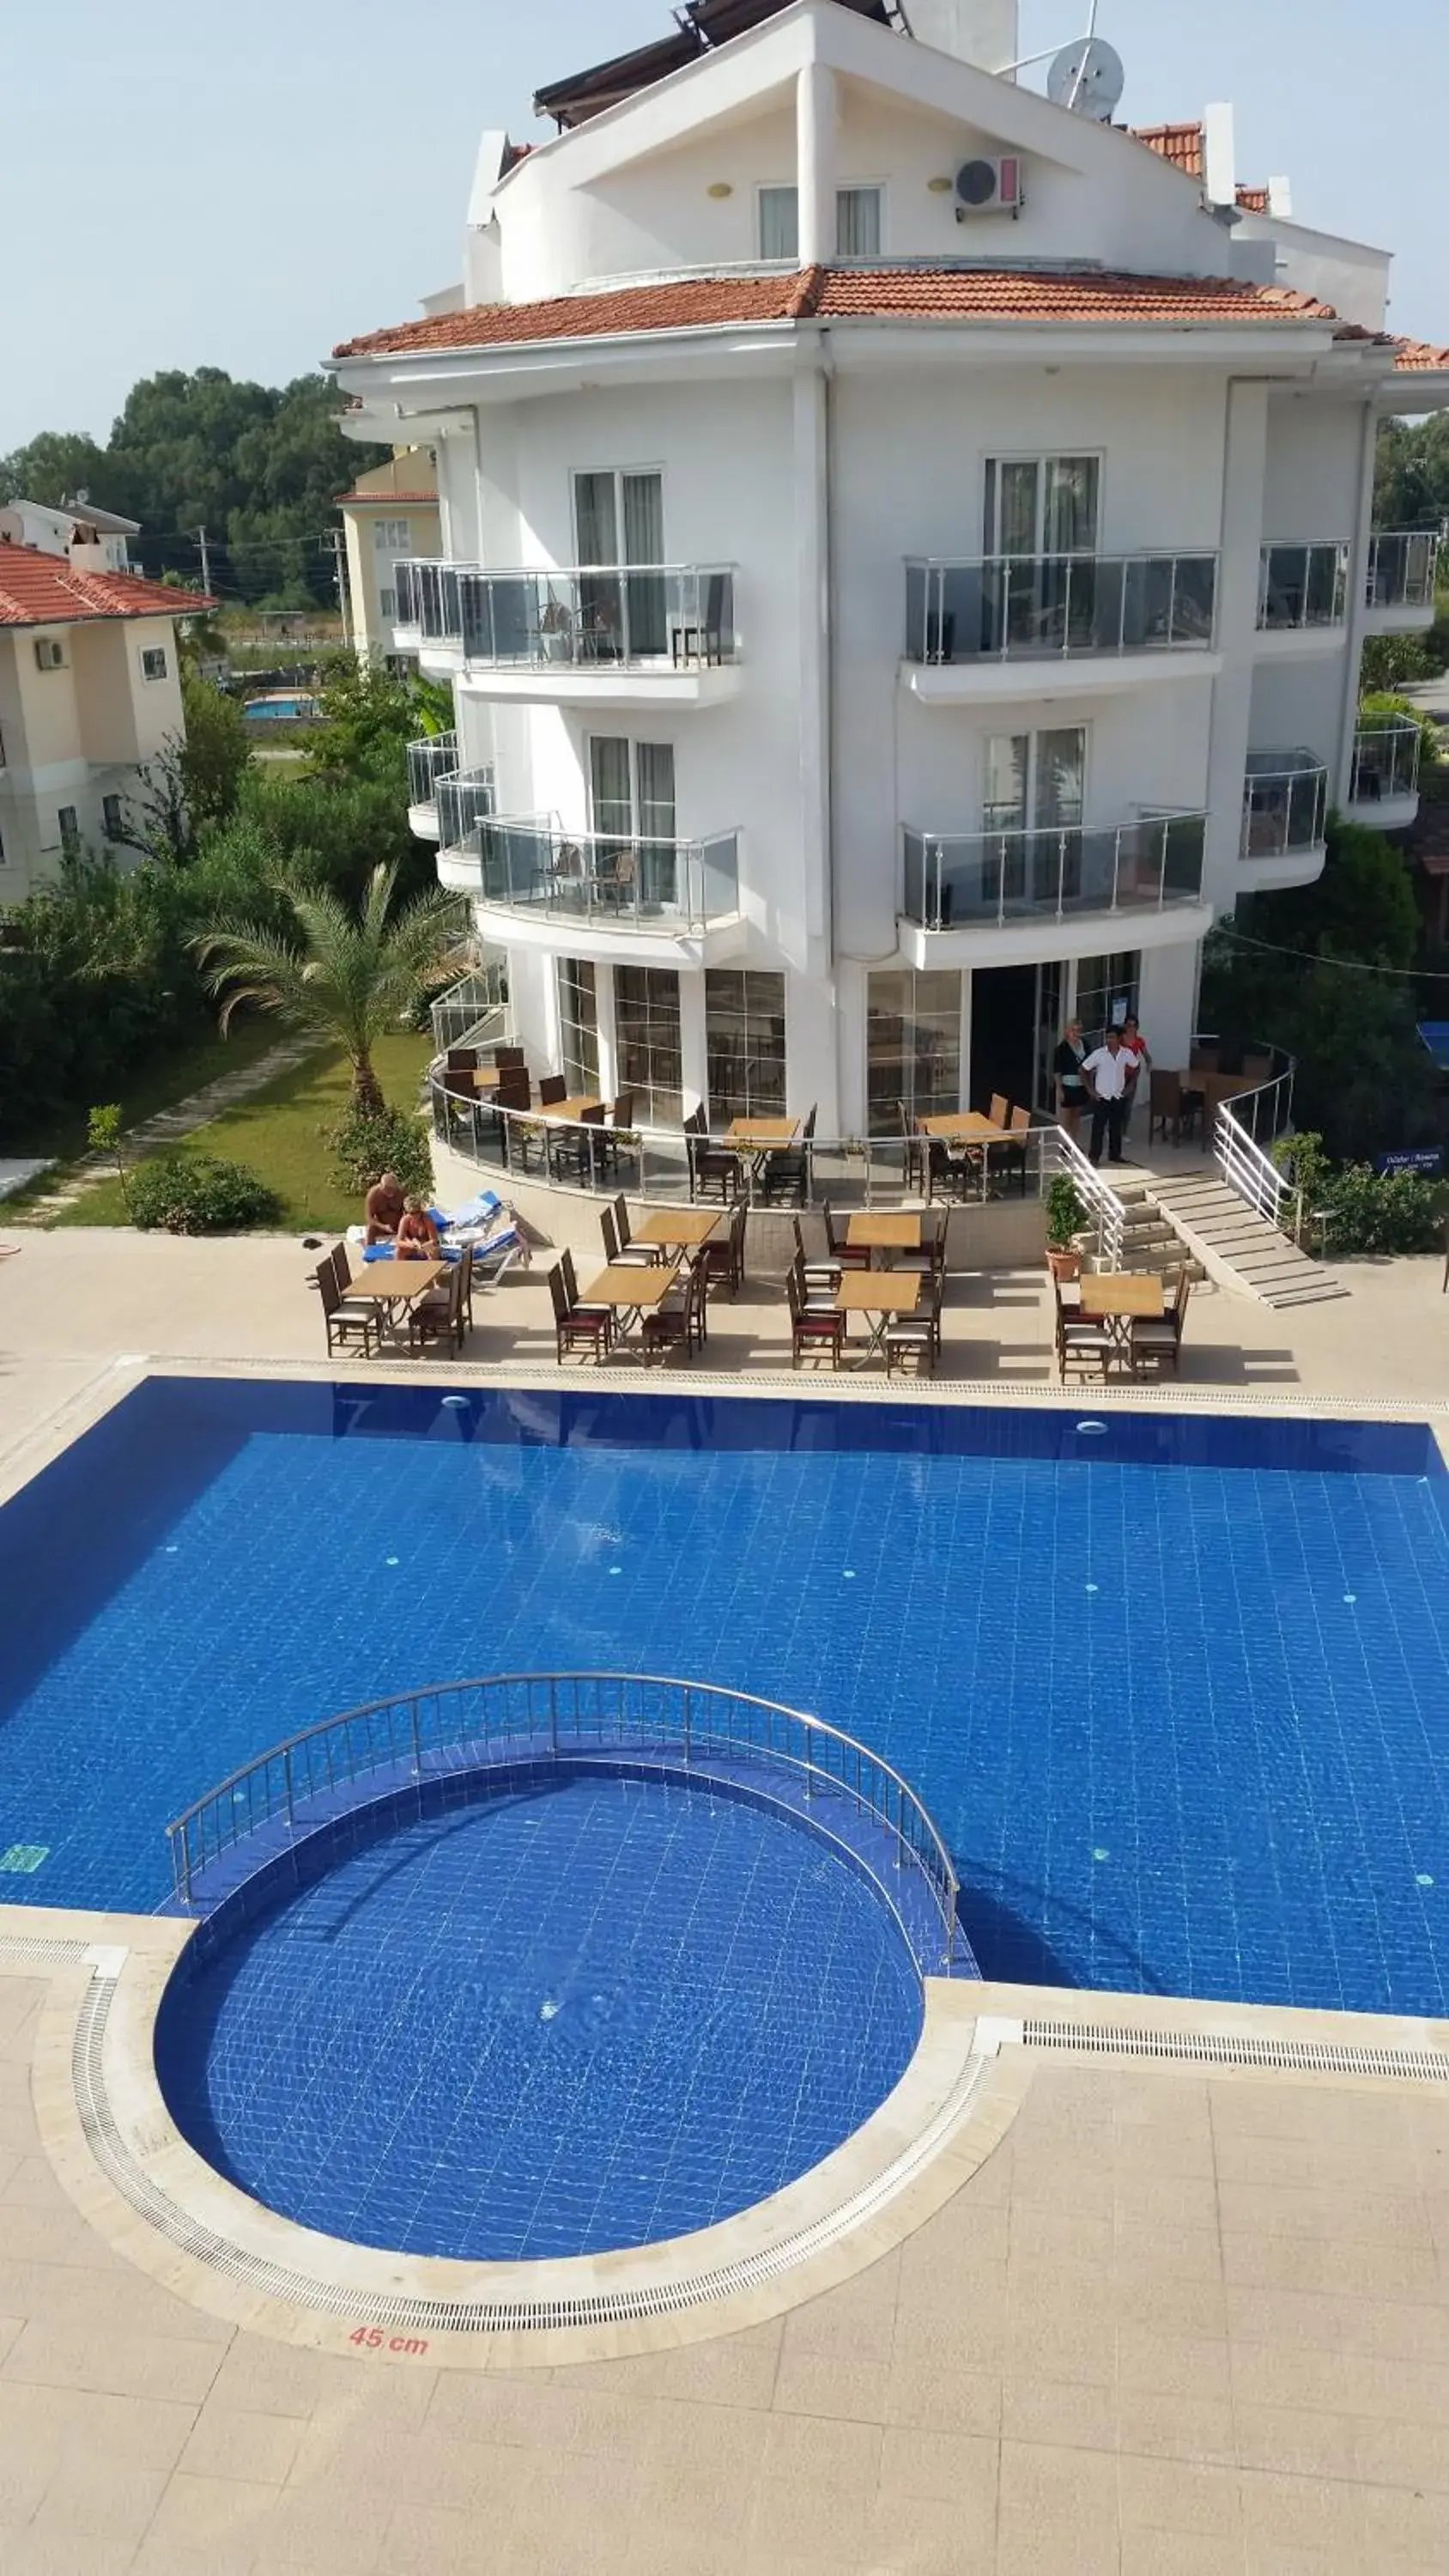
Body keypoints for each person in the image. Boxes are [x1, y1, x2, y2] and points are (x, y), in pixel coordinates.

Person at [1081, 1027, 1131, 1167]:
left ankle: (1115, 1154)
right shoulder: (1099, 1054)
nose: (1109, 1040)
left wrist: (1130, 1087)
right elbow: (1083, 1069)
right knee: (1098, 1128)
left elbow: (1136, 1066)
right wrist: (1090, 1090)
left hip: (1118, 1096)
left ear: (1119, 1038)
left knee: (1116, 1127)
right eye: (1107, 1037)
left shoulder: (1126, 1053)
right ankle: (1094, 1157)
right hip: (1102, 1097)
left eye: (1112, 1037)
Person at [1053, 1019, 1089, 1140]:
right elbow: (1057, 1071)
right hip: (1067, 1086)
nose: (1075, 1033)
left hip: (1081, 1085)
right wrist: (1059, 1089)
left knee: (1076, 1115)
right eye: (1073, 1030)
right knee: (1066, 1117)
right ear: (1067, 1031)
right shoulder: (1061, 1049)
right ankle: (1064, 1144)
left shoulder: (1085, 1044)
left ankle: (1074, 1141)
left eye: (1078, 1030)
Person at [1118, 1015, 1152, 1134]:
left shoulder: (1139, 1041)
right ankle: (1113, 1129)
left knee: (1128, 1105)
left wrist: (1149, 1065)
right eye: (1129, 1025)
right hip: (1119, 1075)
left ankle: (1123, 1132)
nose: (1131, 1028)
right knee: (1118, 1104)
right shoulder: (1120, 1039)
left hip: (1132, 1076)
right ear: (1125, 1026)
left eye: (1134, 1026)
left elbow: (1147, 1056)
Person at [364, 1170, 405, 1245]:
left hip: (399, 1224)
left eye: (392, 1189)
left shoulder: (401, 1193)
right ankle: (370, 1252)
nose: (390, 1192)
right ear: (381, 1186)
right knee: (370, 1229)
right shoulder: (374, 1195)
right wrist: (383, 1227)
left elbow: (409, 1212)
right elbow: (369, 1217)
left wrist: (403, 1225)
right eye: (387, 1189)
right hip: (381, 1225)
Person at [395, 1195, 441, 1261]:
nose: (415, 1216)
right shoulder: (405, 1220)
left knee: (433, 1252)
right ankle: (400, 1269)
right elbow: (398, 1241)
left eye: (417, 1212)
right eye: (412, 1213)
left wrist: (422, 1246)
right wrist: (410, 1245)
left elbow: (434, 1240)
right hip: (413, 1246)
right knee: (398, 1251)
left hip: (426, 1245)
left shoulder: (427, 1219)